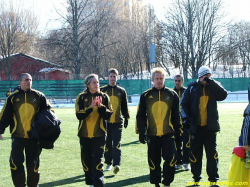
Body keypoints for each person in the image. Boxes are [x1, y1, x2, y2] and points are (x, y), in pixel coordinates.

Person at [0, 73, 51, 187]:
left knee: (33, 165)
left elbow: (49, 114)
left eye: (30, 80)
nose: (29, 82)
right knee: (15, 163)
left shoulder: (39, 96)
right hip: (17, 136)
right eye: (26, 80)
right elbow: (5, 116)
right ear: (20, 82)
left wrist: (49, 130)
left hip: (34, 137)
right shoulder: (12, 98)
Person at [181, 66, 227, 186]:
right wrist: (186, 119)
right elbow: (183, 104)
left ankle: (213, 180)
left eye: (209, 76)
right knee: (195, 154)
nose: (207, 79)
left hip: (210, 128)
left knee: (212, 154)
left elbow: (223, 95)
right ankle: (196, 179)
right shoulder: (192, 87)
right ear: (200, 76)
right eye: (205, 76)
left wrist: (211, 82)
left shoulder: (213, 87)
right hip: (195, 128)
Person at [136, 67, 181, 187]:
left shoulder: (172, 94)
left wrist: (179, 133)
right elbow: (140, 115)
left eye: (161, 78)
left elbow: (177, 115)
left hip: (168, 134)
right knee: (154, 161)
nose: (159, 81)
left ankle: (167, 182)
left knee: (171, 160)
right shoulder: (146, 95)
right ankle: (156, 183)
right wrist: (141, 131)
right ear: (152, 80)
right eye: (157, 78)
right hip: (152, 134)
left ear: (164, 79)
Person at [75, 74, 113, 187]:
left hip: (99, 134)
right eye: (94, 83)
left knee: (98, 161)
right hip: (84, 134)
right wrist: (91, 107)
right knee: (86, 162)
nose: (97, 85)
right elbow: (79, 115)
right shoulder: (81, 97)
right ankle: (90, 183)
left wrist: (100, 106)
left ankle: (99, 184)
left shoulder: (104, 97)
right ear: (88, 85)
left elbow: (108, 115)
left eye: (98, 82)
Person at [100, 68, 130, 174]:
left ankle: (117, 164)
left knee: (117, 144)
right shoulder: (102, 90)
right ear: (108, 77)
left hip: (118, 121)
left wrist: (126, 117)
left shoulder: (121, 91)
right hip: (105, 122)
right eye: (111, 76)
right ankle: (108, 163)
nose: (112, 78)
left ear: (117, 77)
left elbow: (125, 106)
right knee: (107, 144)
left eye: (114, 76)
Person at [173, 75, 190, 171]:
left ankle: (186, 162)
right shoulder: (171, 92)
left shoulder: (187, 92)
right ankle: (178, 162)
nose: (177, 82)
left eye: (179, 80)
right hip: (175, 123)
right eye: (175, 80)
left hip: (185, 122)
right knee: (176, 143)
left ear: (182, 81)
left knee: (186, 143)